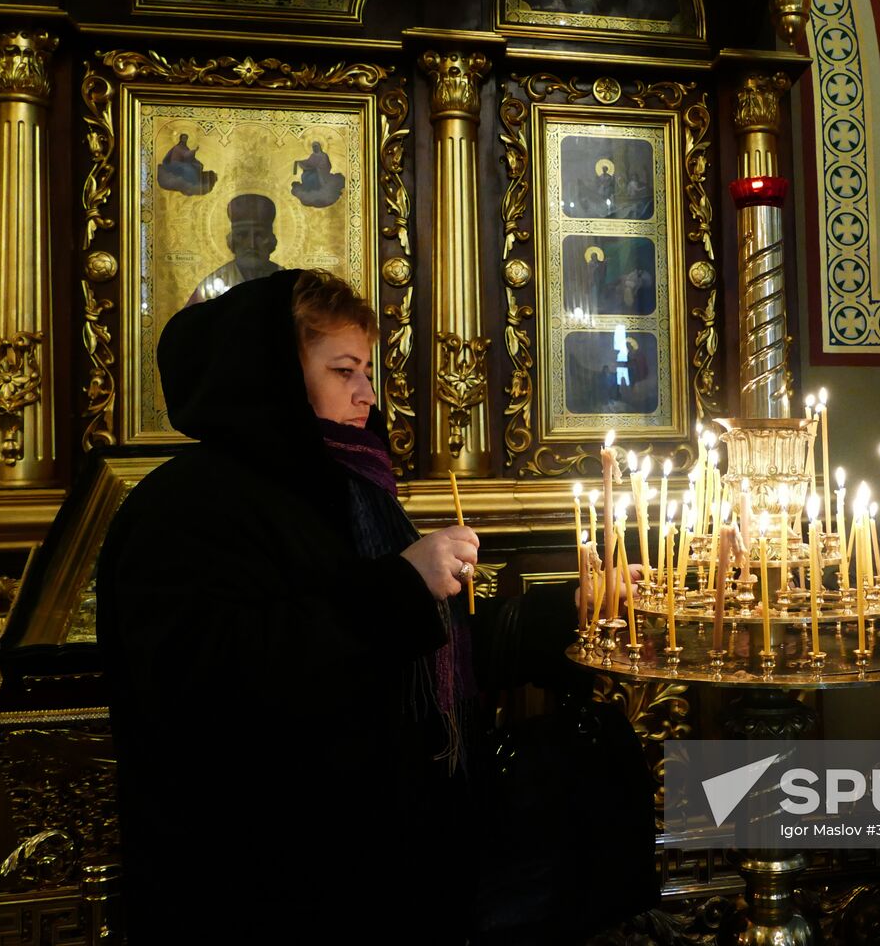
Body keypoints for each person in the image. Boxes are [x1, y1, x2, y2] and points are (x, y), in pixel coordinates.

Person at [97, 269, 653, 943]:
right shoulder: (186, 506)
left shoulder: (349, 488)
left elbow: (430, 656)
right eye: (343, 372)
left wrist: (574, 609)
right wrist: (401, 587)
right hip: (263, 882)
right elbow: (212, 678)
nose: (366, 394)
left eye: (366, 371)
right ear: (272, 375)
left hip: (375, 863)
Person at [184, 193, 284, 307]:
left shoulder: (286, 282)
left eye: (259, 235)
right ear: (232, 241)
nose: (251, 244)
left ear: (271, 240)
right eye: (243, 235)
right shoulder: (212, 285)